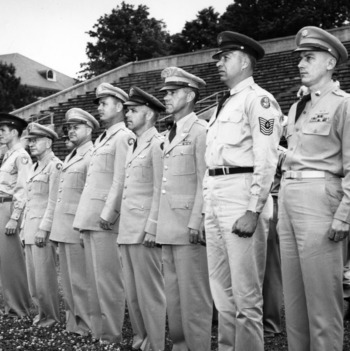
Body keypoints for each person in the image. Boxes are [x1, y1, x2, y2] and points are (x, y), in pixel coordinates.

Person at [204, 31, 282, 351]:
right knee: (222, 294)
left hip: (241, 195)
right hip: (216, 193)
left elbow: (266, 159)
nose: (219, 64)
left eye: (225, 58)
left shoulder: (258, 100)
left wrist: (253, 209)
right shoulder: (223, 103)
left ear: (245, 61)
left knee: (246, 298)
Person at [278, 26, 349, 351]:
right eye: (300, 59)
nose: (300, 64)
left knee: (322, 301)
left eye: (309, 58)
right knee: (294, 302)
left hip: (320, 201)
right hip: (290, 199)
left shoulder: (344, 105)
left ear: (330, 61)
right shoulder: (296, 108)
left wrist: (344, 216)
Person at [156, 67, 213, 351]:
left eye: (172, 92)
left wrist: (197, 221)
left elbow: (205, 179)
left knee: (194, 297)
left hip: (189, 226)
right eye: (165, 92)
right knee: (174, 297)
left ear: (190, 95)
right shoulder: (170, 132)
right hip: (168, 226)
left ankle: (199, 346)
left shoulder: (201, 130)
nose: (166, 97)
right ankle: (180, 346)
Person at [73, 82, 134, 345]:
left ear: (120, 106)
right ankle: (99, 333)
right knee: (94, 282)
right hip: (90, 217)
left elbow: (121, 179)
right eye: (99, 103)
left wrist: (109, 213)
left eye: (104, 103)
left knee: (109, 282)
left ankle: (111, 335)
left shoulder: (124, 137)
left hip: (105, 220)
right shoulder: (102, 138)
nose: (99, 108)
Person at [118, 86, 166, 351]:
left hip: (144, 229)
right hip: (128, 228)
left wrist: (153, 227)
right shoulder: (133, 144)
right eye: (126, 111)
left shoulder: (157, 143)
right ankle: (141, 339)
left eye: (133, 111)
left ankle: (156, 343)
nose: (128, 115)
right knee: (133, 293)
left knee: (150, 292)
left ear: (149, 114)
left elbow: (160, 188)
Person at [50, 108, 99, 335]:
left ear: (89, 129)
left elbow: (91, 193)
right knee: (68, 283)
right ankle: (74, 323)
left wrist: (83, 225)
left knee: (81, 281)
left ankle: (87, 325)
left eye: (76, 127)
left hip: (77, 225)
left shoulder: (91, 154)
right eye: (69, 127)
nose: (70, 131)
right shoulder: (72, 154)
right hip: (64, 226)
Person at [22, 122, 62, 327]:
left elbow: (53, 201)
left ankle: (51, 316)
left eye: (35, 140)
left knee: (45, 277)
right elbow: (30, 200)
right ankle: (40, 314)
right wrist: (23, 230)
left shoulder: (55, 166)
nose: (31, 144)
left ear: (48, 142)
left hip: (41, 230)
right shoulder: (34, 166)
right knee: (33, 279)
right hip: (29, 229)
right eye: (29, 141)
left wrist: (43, 228)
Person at [0, 113, 32, 317]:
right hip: (3, 206)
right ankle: (10, 305)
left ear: (14, 132)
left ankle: (19, 307)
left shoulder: (21, 156)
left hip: (10, 208)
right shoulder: (8, 155)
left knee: (12, 260)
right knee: (4, 260)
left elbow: (23, 189)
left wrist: (14, 217)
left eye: (2, 131)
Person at [263, 146, 286, 338]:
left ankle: (271, 323)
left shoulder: (279, 152)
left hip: (272, 204)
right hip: (261, 204)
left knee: (271, 268)